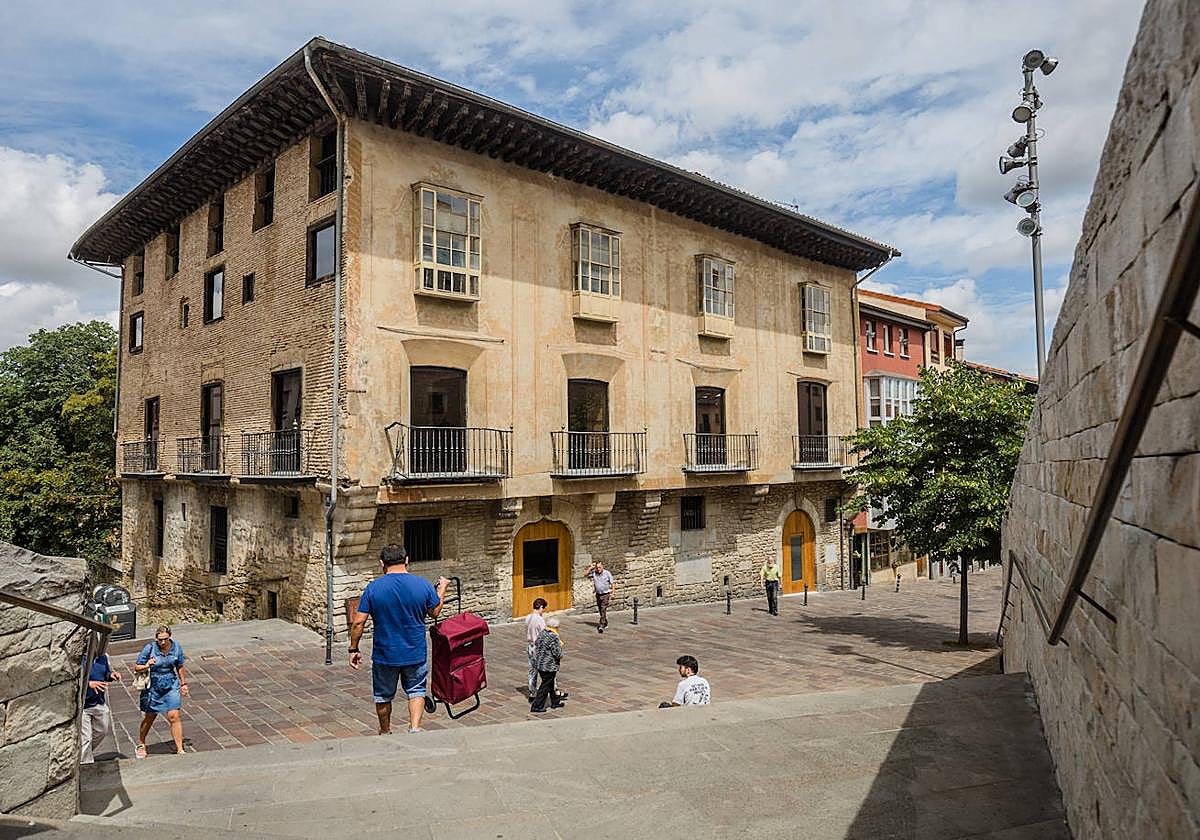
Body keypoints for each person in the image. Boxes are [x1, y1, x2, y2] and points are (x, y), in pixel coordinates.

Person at [349, 544, 449, 734]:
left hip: (385, 654)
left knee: (382, 695)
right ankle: (415, 728)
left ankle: (385, 731)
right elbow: (435, 612)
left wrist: (353, 648)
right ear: (406, 560)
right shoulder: (422, 585)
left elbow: (358, 623)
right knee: (416, 690)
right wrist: (442, 588)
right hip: (415, 651)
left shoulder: (373, 588)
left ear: (382, 563)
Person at [133, 625, 188, 758]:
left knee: (174, 715)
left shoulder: (176, 647)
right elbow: (137, 667)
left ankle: (180, 749)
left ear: (170, 637)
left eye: (165, 639)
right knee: (150, 716)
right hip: (153, 686)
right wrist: (147, 665)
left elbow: (180, 666)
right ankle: (141, 742)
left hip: (171, 684)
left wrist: (183, 683)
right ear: (156, 638)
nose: (163, 642)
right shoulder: (149, 648)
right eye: (160, 639)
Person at [81, 650, 121, 763]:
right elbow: (74, 680)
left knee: (102, 731)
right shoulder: (79, 659)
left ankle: (82, 753)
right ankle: (86, 764)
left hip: (99, 701)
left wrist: (111, 675)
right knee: (86, 738)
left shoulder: (103, 657)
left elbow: (106, 673)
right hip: (84, 705)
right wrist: (89, 684)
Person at [529, 616, 565, 713]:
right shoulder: (554, 637)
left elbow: (537, 643)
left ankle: (555, 702)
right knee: (545, 686)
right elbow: (557, 653)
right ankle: (537, 705)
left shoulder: (542, 633)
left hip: (540, 663)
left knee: (550, 683)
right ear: (555, 627)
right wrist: (561, 653)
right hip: (549, 665)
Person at [524, 597, 548, 696]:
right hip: (538, 647)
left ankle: (532, 691)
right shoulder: (539, 620)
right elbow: (544, 634)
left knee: (532, 670)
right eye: (543, 608)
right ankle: (553, 690)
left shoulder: (528, 617)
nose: (543, 611)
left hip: (530, 646)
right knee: (547, 670)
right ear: (541, 607)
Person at [585, 560, 614, 633]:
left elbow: (612, 584)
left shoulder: (607, 573)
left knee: (603, 608)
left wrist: (613, 593)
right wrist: (590, 567)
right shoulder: (594, 573)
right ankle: (605, 622)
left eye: (600, 567)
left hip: (606, 594)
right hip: (598, 594)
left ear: (602, 567)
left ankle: (601, 625)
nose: (598, 569)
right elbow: (585, 575)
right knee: (600, 610)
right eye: (597, 568)